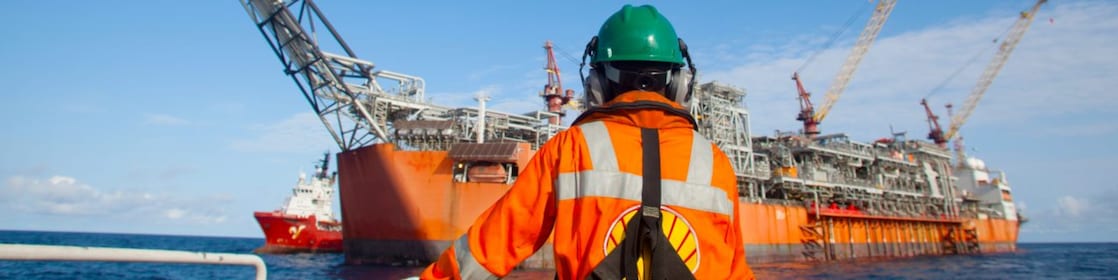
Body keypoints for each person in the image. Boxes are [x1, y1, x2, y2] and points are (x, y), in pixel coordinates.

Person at [421, 4, 753, 279]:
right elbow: (736, 270)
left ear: (596, 83)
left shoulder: (569, 149)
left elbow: (492, 245)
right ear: (680, 84)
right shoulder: (715, 163)